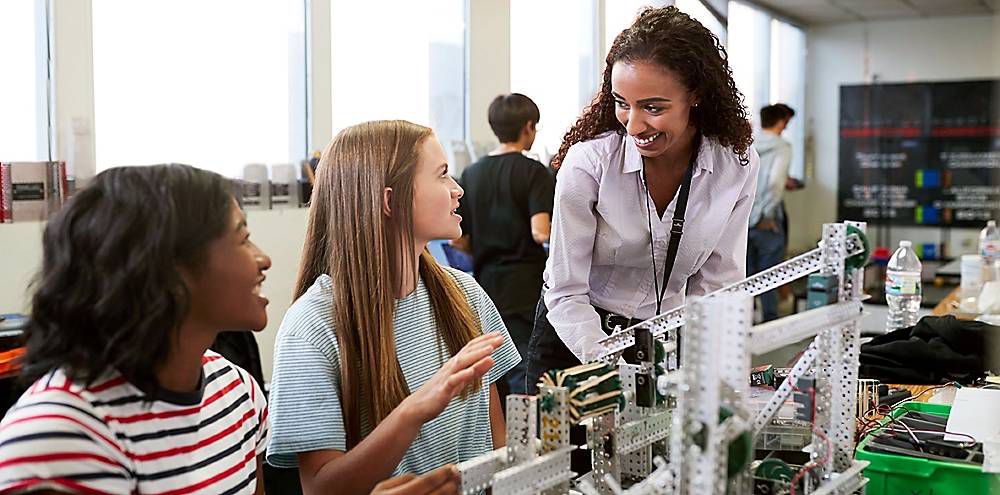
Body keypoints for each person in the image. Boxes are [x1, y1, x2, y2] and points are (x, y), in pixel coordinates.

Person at [266, 120, 520, 495]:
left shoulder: (465, 293)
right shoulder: (311, 326)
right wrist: (413, 412)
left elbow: (494, 437)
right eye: (442, 175)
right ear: (390, 200)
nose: (457, 190)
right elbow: (321, 488)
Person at [0, 164, 272, 494]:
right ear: (171, 271)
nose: (264, 259)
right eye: (243, 238)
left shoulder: (236, 390)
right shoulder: (59, 437)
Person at [527, 5, 759, 387]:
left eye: (653, 107)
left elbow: (718, 286)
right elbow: (566, 290)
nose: (634, 125)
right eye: (622, 103)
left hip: (665, 341)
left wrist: (713, 373)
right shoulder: (589, 164)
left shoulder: (735, 164)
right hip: (576, 337)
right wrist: (610, 368)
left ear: (696, 95)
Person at [453, 93, 555, 399]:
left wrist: (486, 249)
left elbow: (458, 239)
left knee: (494, 367)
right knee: (525, 367)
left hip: (486, 285)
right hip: (525, 286)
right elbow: (540, 232)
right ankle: (526, 429)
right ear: (528, 126)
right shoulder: (534, 171)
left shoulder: (471, 174)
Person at [748, 103, 795, 322]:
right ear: (782, 122)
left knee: (744, 278)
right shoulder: (782, 146)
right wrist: (766, 215)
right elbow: (775, 182)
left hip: (742, 219)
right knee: (770, 277)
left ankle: (744, 324)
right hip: (766, 220)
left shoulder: (748, 143)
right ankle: (770, 324)